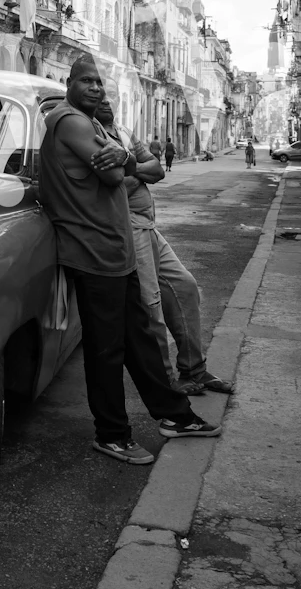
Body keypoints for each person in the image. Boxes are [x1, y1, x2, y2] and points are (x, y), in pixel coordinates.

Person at [37, 56, 221, 465]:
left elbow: (127, 166)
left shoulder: (96, 125)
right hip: (92, 252)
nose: (96, 88)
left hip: (115, 253)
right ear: (68, 84)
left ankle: (174, 416)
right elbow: (112, 176)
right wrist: (121, 161)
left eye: (99, 82)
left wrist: (123, 158)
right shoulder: (70, 121)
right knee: (106, 350)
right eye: (86, 81)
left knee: (139, 340)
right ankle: (112, 434)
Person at [96, 81, 234, 399]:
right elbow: (113, 182)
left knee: (184, 288)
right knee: (151, 306)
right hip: (127, 229)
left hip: (148, 227)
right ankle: (166, 380)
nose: (107, 101)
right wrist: (135, 170)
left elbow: (157, 170)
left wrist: (131, 164)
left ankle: (194, 368)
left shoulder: (122, 132)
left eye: (111, 96)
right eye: (100, 96)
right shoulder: (90, 134)